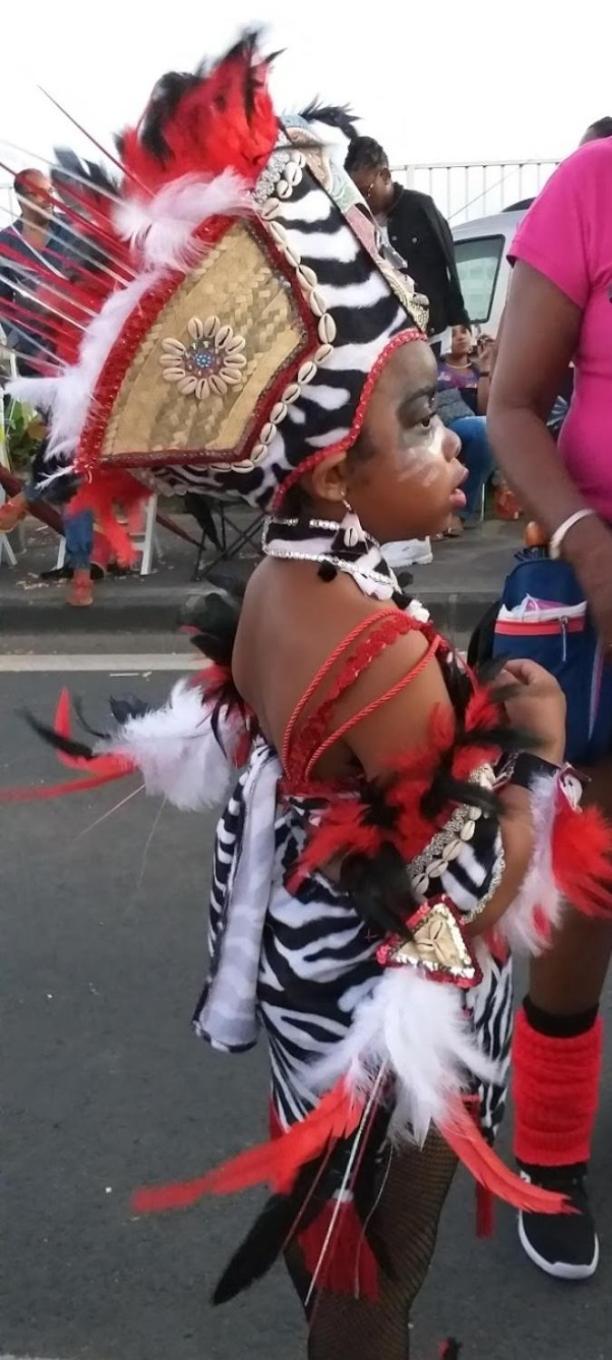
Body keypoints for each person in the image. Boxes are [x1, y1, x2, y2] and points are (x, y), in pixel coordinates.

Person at [6, 39, 611, 1357]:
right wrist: (532, 780)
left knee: (331, 1242)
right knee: (375, 1279)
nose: (458, 439)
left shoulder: (288, 590)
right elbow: (446, 936)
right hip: (381, 1039)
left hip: (303, 986)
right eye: (421, 424)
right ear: (335, 479)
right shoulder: (380, 661)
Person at [488, 134, 612, 1281]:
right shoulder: (595, 187)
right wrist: (591, 548)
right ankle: (552, 1152)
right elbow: (513, 404)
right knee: (586, 892)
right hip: (604, 596)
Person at [344, 135, 470, 342]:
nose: (361, 201)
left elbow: (448, 268)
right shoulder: (355, 222)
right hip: (383, 338)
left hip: (429, 335)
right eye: (354, 194)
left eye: (364, 191)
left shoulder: (420, 208)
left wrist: (460, 319)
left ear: (385, 176)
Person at [436, 325, 495, 535]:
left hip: (475, 422)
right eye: (452, 334)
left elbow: (485, 409)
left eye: (463, 332)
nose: (459, 337)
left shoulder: (477, 370)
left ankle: (461, 511)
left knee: (488, 430)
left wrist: (486, 366)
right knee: (484, 429)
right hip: (445, 422)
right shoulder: (434, 366)